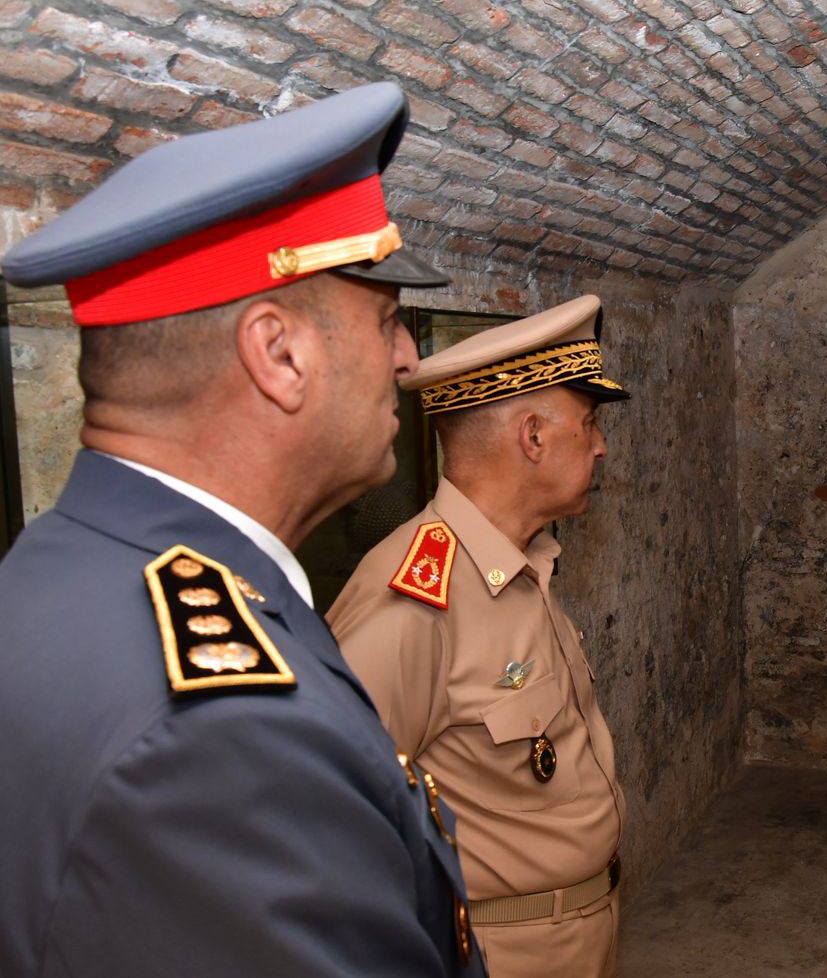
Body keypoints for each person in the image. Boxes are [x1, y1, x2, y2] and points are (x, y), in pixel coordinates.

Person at [0, 82, 485, 976]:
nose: (408, 358)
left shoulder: (57, 571)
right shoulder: (223, 737)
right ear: (279, 355)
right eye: (385, 322)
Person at [329, 296, 629, 977]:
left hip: (584, 933)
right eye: (588, 423)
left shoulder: (525, 562)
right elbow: (331, 821)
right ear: (533, 437)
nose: (601, 445)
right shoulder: (413, 606)